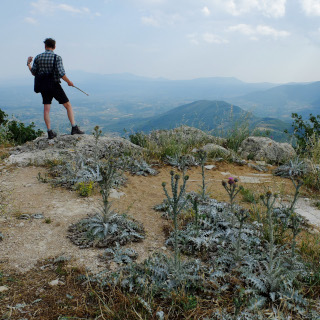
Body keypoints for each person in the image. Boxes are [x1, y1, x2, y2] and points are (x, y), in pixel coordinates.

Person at [27, 38, 84, 139]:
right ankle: (74, 128)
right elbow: (61, 73)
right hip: (54, 85)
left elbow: (34, 73)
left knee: (46, 109)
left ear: (45, 46)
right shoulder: (57, 57)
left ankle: (50, 132)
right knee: (68, 105)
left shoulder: (38, 57)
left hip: (43, 86)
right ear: (54, 47)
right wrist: (69, 82)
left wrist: (28, 64)